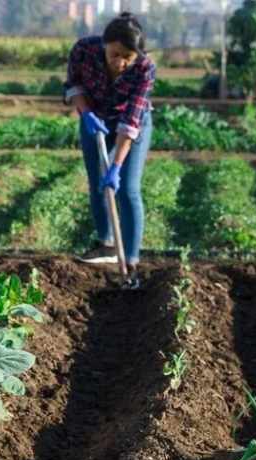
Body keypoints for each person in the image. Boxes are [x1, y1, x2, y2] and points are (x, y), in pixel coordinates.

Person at [63, 12, 155, 286]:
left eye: (128, 56)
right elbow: (74, 84)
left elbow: (131, 122)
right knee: (97, 185)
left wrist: (115, 167)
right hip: (94, 117)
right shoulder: (84, 50)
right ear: (105, 45)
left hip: (131, 124)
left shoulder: (145, 68)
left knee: (126, 188)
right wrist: (87, 113)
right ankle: (106, 245)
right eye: (115, 54)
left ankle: (131, 262)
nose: (121, 62)